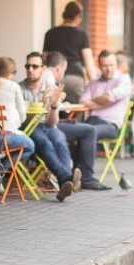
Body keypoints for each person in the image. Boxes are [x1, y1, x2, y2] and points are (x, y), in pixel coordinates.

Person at [0, 57, 41, 192]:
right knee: (30, 146)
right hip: (2, 139)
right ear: (11, 72)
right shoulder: (13, 86)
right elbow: (22, 117)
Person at [20, 51, 80, 200]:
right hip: (29, 127)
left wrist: (53, 106)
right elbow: (21, 118)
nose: (30, 70)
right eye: (28, 66)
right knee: (46, 144)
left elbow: (52, 122)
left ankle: (64, 184)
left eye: (35, 66)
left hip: (46, 125)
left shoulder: (51, 88)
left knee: (60, 139)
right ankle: (67, 177)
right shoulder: (20, 89)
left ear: (43, 69)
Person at [46, 52, 103, 191]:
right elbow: (50, 106)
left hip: (48, 123)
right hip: (48, 125)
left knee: (76, 129)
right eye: (64, 71)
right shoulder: (49, 81)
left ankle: (73, 175)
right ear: (60, 68)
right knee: (89, 130)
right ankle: (86, 178)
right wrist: (62, 105)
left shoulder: (45, 78)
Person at [43, 1, 98, 103]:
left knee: (53, 110)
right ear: (77, 16)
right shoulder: (81, 35)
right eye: (81, 17)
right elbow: (89, 64)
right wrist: (95, 86)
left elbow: (44, 59)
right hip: (75, 79)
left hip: (54, 79)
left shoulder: (50, 33)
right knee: (76, 112)